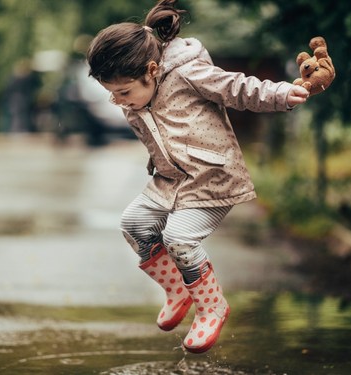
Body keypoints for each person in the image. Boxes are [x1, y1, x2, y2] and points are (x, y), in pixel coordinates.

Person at [86, 0, 309, 354]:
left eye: (124, 92)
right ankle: (178, 290)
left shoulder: (190, 72)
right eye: (112, 94)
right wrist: (132, 104)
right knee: (134, 224)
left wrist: (282, 94)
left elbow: (238, 88)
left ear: (153, 69)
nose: (120, 102)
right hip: (171, 179)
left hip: (212, 177)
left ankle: (212, 307)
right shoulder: (133, 99)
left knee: (179, 237)